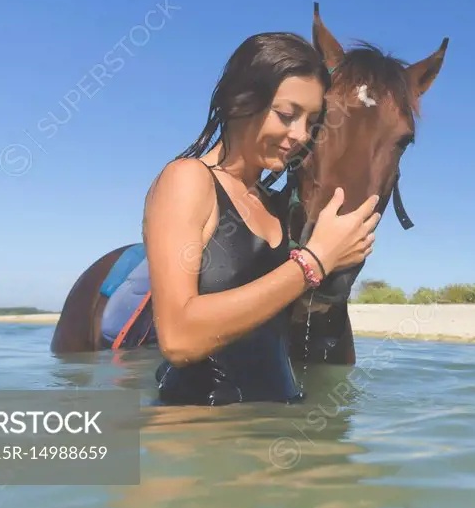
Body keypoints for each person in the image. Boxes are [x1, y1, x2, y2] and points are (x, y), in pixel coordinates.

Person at [142, 32, 381, 405]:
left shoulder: (275, 206)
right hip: (203, 438)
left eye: (312, 121)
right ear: (241, 100)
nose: (300, 135)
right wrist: (315, 261)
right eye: (287, 115)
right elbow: (178, 337)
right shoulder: (188, 179)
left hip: (275, 428)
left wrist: (340, 257)